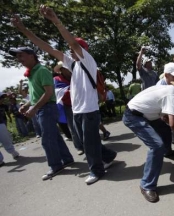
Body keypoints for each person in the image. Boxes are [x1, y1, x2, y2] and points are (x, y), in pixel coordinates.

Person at [11, 6, 117, 185]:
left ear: (83, 50)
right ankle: (109, 155)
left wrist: (56, 21)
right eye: (69, 48)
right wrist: (24, 30)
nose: (69, 50)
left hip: (89, 109)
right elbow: (46, 47)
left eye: (73, 47)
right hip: (77, 110)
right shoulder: (72, 64)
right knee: (83, 141)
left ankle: (97, 170)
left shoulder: (88, 60)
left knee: (88, 143)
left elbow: (73, 43)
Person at [123, 77, 174, 203]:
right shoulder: (173, 96)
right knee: (157, 146)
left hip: (145, 114)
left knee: (164, 129)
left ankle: (167, 151)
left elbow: (169, 120)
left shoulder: (171, 90)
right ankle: (147, 185)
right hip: (134, 117)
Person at [8, 46, 74, 181]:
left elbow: (49, 93)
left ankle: (55, 165)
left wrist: (33, 108)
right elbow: (34, 96)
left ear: (32, 55)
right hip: (42, 108)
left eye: (21, 55)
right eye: (17, 57)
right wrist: (27, 105)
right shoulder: (32, 73)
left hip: (47, 108)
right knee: (54, 136)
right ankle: (67, 159)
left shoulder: (42, 70)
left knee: (47, 139)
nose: (19, 59)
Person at [156, 62, 174, 146]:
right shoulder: (160, 86)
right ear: (166, 75)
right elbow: (160, 105)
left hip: (173, 105)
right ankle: (166, 148)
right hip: (161, 108)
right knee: (166, 128)